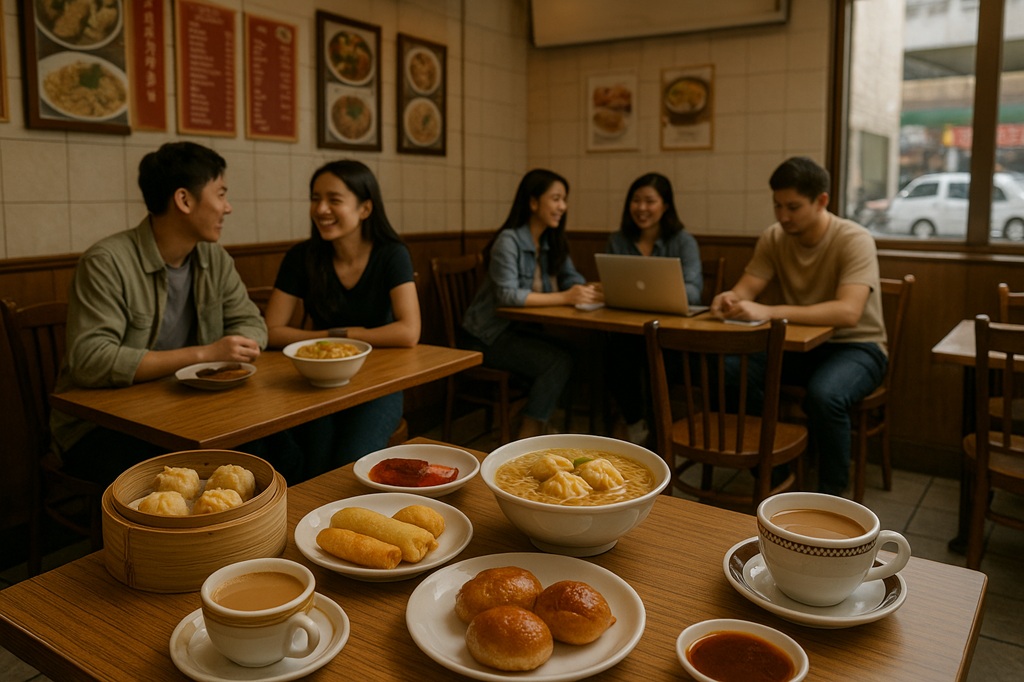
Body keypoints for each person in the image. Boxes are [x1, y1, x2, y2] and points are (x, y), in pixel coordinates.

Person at [51, 141, 268, 486]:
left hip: (188, 412)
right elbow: (90, 359)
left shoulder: (214, 258)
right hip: (101, 427)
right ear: (184, 200)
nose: (227, 207)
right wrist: (206, 354)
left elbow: (252, 323)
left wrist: (240, 345)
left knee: (279, 450)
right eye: (220, 194)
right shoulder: (107, 262)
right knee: (193, 477)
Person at [710, 156, 887, 496]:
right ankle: (775, 474)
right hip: (799, 346)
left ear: (822, 200)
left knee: (825, 396)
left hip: (858, 346)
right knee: (731, 370)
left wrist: (768, 311)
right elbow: (746, 290)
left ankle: (831, 497)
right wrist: (729, 298)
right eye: (777, 206)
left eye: (793, 207)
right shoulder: (774, 237)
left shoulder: (854, 238)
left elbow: (848, 312)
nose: (783, 216)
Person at [263, 159, 420, 478]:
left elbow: (408, 331)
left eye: (334, 199)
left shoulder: (391, 254)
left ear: (365, 208)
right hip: (314, 383)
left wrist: (339, 336)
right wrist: (334, 340)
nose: (321, 209)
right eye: (315, 199)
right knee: (311, 463)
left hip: (379, 383)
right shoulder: (301, 257)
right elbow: (272, 331)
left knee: (350, 463)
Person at [461, 169, 602, 438]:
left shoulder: (550, 240)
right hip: (485, 337)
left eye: (564, 200)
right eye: (556, 199)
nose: (563, 207)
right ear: (534, 202)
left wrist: (587, 289)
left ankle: (533, 417)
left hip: (519, 331)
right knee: (557, 361)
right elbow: (507, 295)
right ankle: (529, 430)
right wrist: (566, 297)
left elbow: (571, 277)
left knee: (578, 353)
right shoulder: (508, 241)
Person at [605, 173, 702, 444]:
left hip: (669, 333)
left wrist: (661, 292)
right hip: (625, 329)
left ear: (665, 205)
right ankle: (634, 423)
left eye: (650, 201)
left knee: (660, 361)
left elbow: (694, 291)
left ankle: (658, 434)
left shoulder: (683, 241)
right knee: (614, 354)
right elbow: (610, 285)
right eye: (636, 200)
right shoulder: (618, 240)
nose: (641, 208)